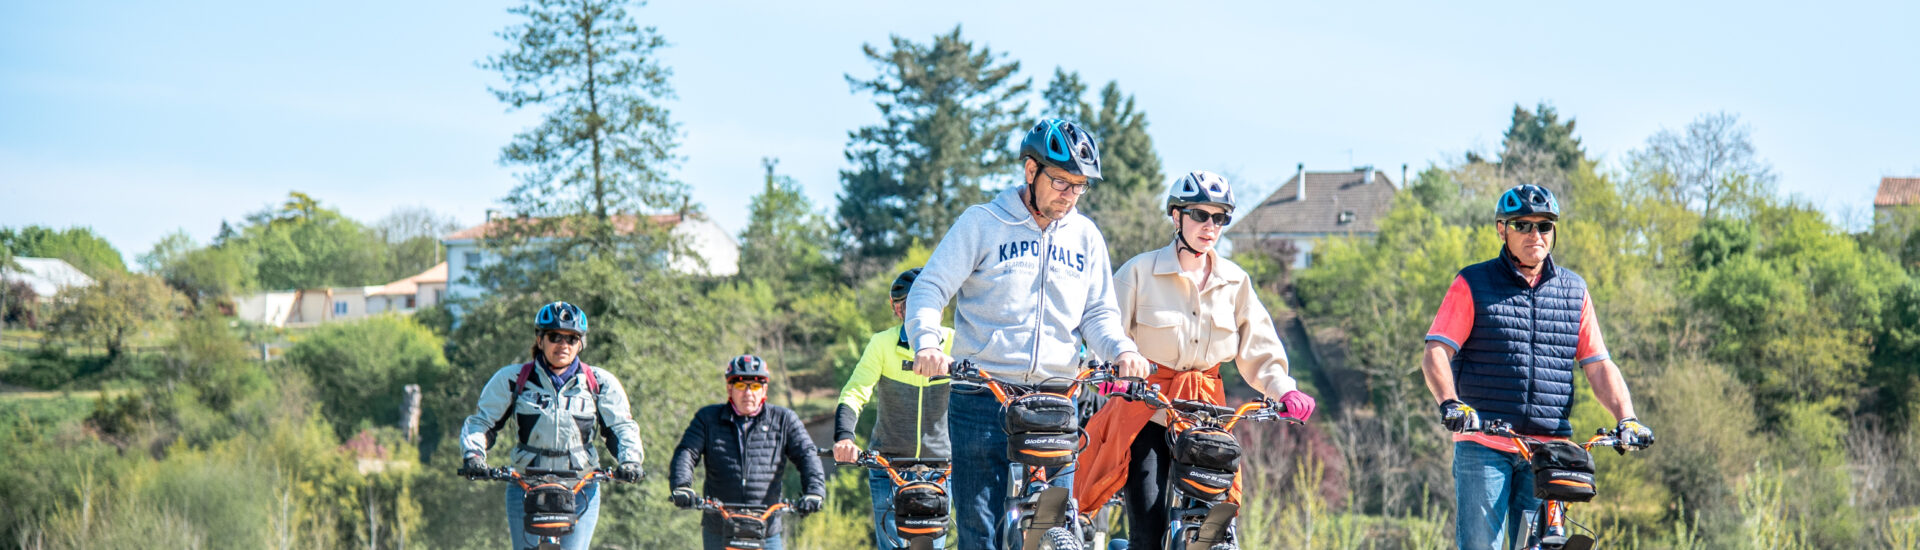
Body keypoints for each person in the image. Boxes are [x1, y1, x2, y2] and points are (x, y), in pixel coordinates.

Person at [904, 118, 1151, 549]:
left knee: (1056, 527)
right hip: (982, 395)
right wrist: (926, 341)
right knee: (981, 535)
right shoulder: (981, 223)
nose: (1070, 195)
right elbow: (929, 287)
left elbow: (1099, 313)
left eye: (1080, 186)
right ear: (1030, 171)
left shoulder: (1086, 236)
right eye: (1061, 181)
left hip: (1055, 399)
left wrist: (1122, 351)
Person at [1074, 171, 1318, 550]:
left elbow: (1261, 352)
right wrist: (1108, 372)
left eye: (1220, 218)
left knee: (1211, 530)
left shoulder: (1236, 283)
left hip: (1206, 418)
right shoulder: (1139, 272)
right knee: (1148, 527)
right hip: (1147, 413)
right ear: (1176, 217)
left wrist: (1285, 390)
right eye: (1200, 215)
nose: (1210, 226)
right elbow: (1104, 334)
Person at [1419, 184, 1655, 549]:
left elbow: (1598, 365)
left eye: (1544, 226)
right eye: (1522, 225)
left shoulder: (1573, 291)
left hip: (1547, 451)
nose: (1535, 235)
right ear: (1502, 230)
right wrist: (1450, 403)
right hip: (1485, 444)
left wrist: (1628, 418)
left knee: (1543, 545)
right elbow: (1436, 350)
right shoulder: (1473, 283)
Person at [457, 301, 645, 550]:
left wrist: (630, 462)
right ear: (540, 339)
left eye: (571, 338)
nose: (563, 345)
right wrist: (474, 456)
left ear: (581, 343)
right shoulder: (513, 379)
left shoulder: (598, 383)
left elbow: (622, 427)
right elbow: (482, 423)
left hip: (580, 488)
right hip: (526, 486)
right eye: (555, 336)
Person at [834, 268, 957, 550]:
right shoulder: (882, 344)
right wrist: (844, 437)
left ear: (939, 308)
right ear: (896, 309)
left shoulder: (954, 342)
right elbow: (855, 391)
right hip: (888, 466)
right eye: (907, 306)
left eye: (922, 306)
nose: (915, 314)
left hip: (941, 469)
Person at [670, 354, 827, 550]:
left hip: (766, 529)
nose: (748, 393)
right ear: (729, 388)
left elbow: (807, 455)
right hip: (719, 528)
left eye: (754, 386)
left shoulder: (784, 420)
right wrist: (682, 486)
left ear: (764, 389)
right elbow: (687, 453)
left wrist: (815, 492)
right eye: (741, 386)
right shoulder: (708, 418)